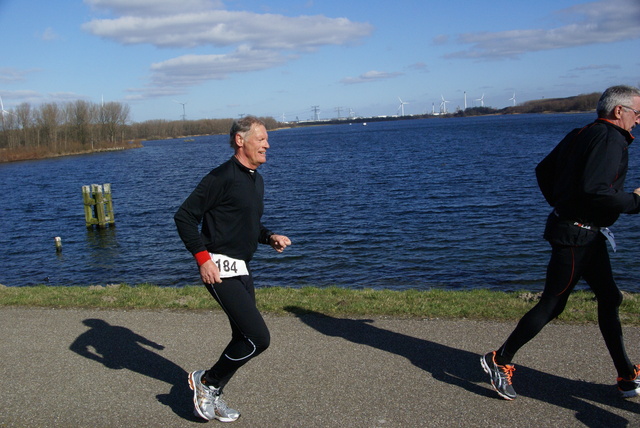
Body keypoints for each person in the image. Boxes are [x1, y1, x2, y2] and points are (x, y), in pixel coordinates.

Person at [481, 85, 640, 400]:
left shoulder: (581, 133)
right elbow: (597, 190)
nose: (639, 120)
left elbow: (543, 170)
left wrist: (562, 203)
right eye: (637, 112)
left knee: (610, 297)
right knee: (553, 303)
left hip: (583, 232)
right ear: (619, 111)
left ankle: (625, 375)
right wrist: (634, 201)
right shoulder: (610, 139)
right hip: (575, 236)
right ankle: (498, 360)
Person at [174, 116, 291, 422]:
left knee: (243, 337)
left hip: (242, 267)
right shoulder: (221, 176)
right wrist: (203, 259)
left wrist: (268, 237)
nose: (267, 144)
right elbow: (184, 217)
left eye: (267, 139)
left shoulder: (256, 179)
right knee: (258, 337)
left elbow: (246, 224)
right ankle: (207, 382)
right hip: (218, 267)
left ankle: (213, 390)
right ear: (241, 141)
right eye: (261, 138)